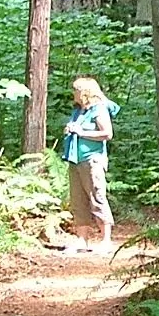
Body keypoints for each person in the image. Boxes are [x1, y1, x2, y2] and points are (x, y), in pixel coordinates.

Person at [60, 76, 116, 253]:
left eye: (76, 90)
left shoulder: (98, 109)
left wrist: (81, 132)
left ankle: (106, 240)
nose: (73, 94)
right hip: (75, 158)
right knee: (78, 200)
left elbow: (107, 134)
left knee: (97, 197)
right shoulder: (79, 111)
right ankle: (82, 239)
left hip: (92, 159)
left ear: (84, 92)